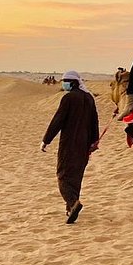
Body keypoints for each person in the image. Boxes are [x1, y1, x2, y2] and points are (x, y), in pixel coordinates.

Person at [41, 70, 100, 224]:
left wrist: (46, 140)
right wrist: (94, 141)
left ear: (72, 82)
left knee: (63, 174)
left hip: (69, 143)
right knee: (76, 175)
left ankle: (73, 202)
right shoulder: (89, 98)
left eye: (65, 81)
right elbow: (95, 121)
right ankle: (70, 208)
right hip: (84, 144)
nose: (63, 83)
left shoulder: (68, 98)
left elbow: (58, 120)